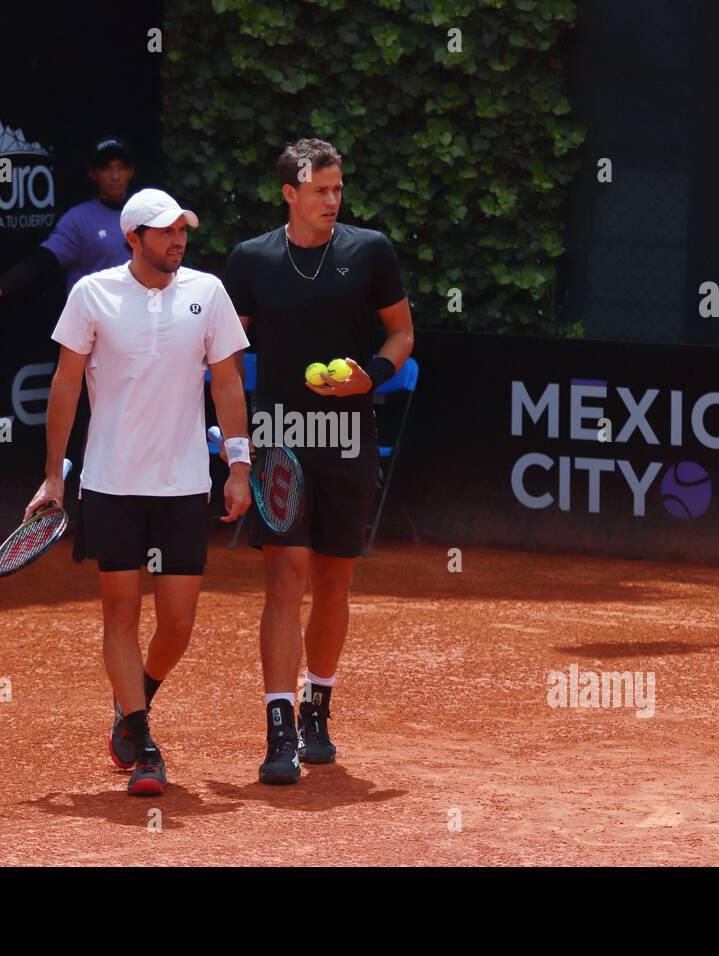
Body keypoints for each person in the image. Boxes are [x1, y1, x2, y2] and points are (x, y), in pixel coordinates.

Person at [26, 188, 252, 796]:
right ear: (134, 239)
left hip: (183, 485)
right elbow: (65, 387)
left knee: (177, 624)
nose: (178, 239)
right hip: (111, 483)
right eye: (165, 232)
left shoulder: (208, 293)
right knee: (121, 612)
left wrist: (239, 464)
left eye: (183, 230)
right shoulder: (91, 295)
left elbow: (227, 383)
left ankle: (136, 699)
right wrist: (55, 476)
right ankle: (144, 742)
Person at [222, 139, 414, 785]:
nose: (333, 201)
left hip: (350, 437)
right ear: (290, 194)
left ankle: (317, 710)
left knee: (334, 580)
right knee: (284, 580)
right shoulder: (251, 261)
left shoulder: (370, 251)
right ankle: (279, 730)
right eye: (320, 191)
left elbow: (402, 332)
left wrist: (373, 377)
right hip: (281, 438)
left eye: (338, 190)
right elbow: (221, 347)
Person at [0, 136, 137, 318]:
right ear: (93, 174)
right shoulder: (78, 220)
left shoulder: (145, 215)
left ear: (131, 172)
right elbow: (42, 261)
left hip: (138, 321)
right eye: (106, 168)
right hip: (94, 324)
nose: (115, 176)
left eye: (121, 167)